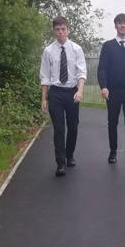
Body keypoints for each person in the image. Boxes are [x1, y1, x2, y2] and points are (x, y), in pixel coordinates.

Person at [39, 16, 87, 177]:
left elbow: (82, 73)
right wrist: (44, 99)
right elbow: (44, 76)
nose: (61, 32)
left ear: (68, 30)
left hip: (72, 91)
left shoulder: (76, 49)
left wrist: (79, 91)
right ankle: (60, 163)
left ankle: (69, 155)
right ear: (54, 31)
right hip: (56, 93)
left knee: (73, 126)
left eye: (63, 29)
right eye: (58, 30)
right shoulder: (48, 51)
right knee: (59, 129)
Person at [97, 13, 125, 171]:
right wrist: (103, 86)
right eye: (120, 23)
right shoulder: (108, 46)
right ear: (115, 25)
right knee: (113, 122)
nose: (123, 25)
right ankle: (113, 151)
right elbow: (102, 68)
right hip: (113, 91)